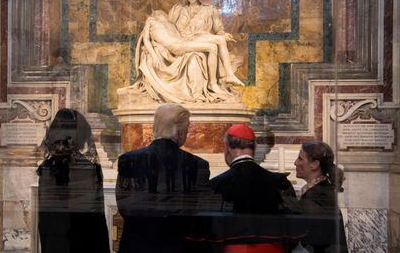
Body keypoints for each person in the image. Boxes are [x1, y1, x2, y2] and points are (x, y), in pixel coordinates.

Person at [128, 0, 243, 104]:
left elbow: (219, 29)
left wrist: (223, 34)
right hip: (183, 42)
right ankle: (214, 83)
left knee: (215, 43)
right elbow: (169, 29)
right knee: (200, 54)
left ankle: (220, 81)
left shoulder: (210, 10)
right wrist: (156, 48)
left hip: (201, 38)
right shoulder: (177, 9)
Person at [116, 104, 211, 253]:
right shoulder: (198, 165)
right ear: (180, 132)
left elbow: (124, 206)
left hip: (136, 244)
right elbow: (198, 212)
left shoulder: (128, 159)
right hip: (178, 246)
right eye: (186, 130)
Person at [210, 124, 296, 253]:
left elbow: (210, 232)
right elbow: (294, 228)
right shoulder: (279, 182)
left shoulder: (216, 185)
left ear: (227, 148)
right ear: (254, 148)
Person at [37, 109, 110, 253]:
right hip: (82, 238)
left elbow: (46, 215)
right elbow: (94, 215)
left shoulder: (46, 168)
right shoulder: (88, 167)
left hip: (55, 238)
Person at [142, 10, 241, 96]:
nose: (161, 13)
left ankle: (229, 76)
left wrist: (220, 35)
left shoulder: (170, 24)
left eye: (163, 13)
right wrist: (154, 55)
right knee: (212, 47)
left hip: (184, 41)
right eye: (159, 12)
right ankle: (213, 84)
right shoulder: (151, 21)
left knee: (220, 41)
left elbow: (183, 35)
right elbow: (146, 40)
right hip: (177, 46)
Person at [294, 141, 348, 252]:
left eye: (300, 158)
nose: (295, 162)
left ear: (314, 164)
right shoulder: (321, 190)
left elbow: (312, 242)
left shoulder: (317, 197)